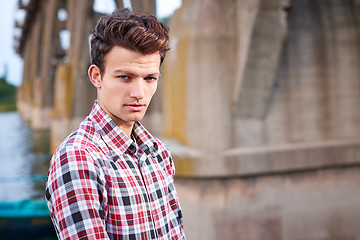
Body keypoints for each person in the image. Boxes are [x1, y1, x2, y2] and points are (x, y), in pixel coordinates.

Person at [45, 8, 186, 240]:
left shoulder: (159, 153)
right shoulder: (77, 159)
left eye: (150, 78)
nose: (139, 93)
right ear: (96, 77)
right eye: (125, 77)